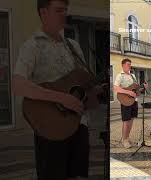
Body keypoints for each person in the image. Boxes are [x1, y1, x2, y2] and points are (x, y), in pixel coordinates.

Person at [12, 0, 104, 179]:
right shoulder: (32, 46)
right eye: (59, 10)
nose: (64, 14)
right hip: (50, 126)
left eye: (65, 10)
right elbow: (17, 84)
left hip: (79, 124)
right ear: (43, 12)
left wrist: (93, 95)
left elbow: (83, 88)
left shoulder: (74, 46)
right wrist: (61, 98)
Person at [113, 58, 147, 148]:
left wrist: (143, 88)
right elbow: (115, 88)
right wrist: (128, 92)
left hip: (134, 101)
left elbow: (136, 90)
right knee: (126, 121)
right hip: (125, 101)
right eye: (128, 64)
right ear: (123, 65)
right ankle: (124, 140)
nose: (130, 66)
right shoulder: (120, 75)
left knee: (131, 120)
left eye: (130, 64)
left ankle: (127, 138)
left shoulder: (133, 76)